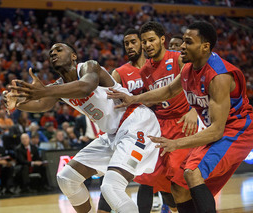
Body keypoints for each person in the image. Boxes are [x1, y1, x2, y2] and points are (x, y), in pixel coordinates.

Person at [107, 21, 253, 213]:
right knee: (179, 186)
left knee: (192, 173)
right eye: (183, 41)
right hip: (213, 130)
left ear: (205, 46)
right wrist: (133, 98)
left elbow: (217, 130)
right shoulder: (188, 69)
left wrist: (176, 143)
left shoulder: (219, 77)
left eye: (188, 42)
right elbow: (167, 91)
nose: (181, 46)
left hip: (237, 130)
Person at [5, 42, 161, 212]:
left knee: (111, 188)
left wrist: (45, 91)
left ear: (73, 56)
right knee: (67, 178)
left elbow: (86, 87)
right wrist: (17, 104)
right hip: (113, 134)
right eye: (51, 52)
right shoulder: (57, 88)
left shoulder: (89, 67)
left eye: (59, 49)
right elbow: (42, 104)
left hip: (136, 124)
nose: (53, 53)